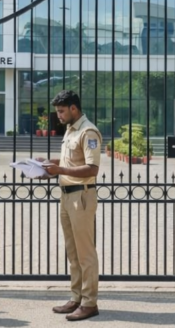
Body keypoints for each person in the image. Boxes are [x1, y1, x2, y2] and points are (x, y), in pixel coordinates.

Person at [36, 90, 102, 322]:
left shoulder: (88, 131)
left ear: (74, 108)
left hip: (81, 197)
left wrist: (60, 170)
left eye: (62, 111)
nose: (59, 116)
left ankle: (89, 303)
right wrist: (45, 166)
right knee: (72, 252)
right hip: (66, 195)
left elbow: (92, 169)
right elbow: (68, 162)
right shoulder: (71, 131)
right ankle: (76, 297)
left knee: (85, 253)